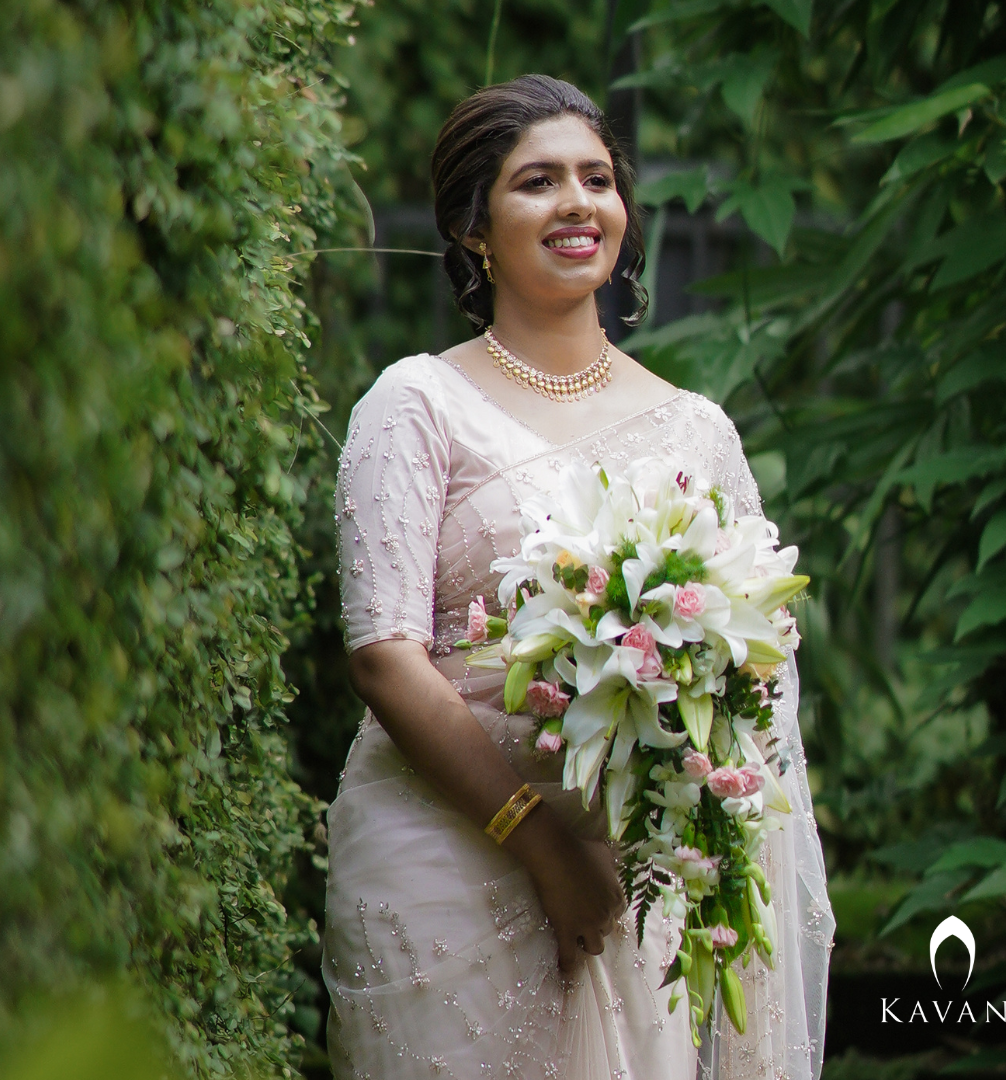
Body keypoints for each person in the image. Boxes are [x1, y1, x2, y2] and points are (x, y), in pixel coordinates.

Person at [323, 74, 833, 1080]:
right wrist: (541, 843)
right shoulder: (415, 404)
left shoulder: (695, 428)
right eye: (537, 182)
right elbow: (384, 655)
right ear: (473, 226)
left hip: (637, 872)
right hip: (442, 858)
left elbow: (756, 679)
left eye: (596, 179)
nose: (577, 204)